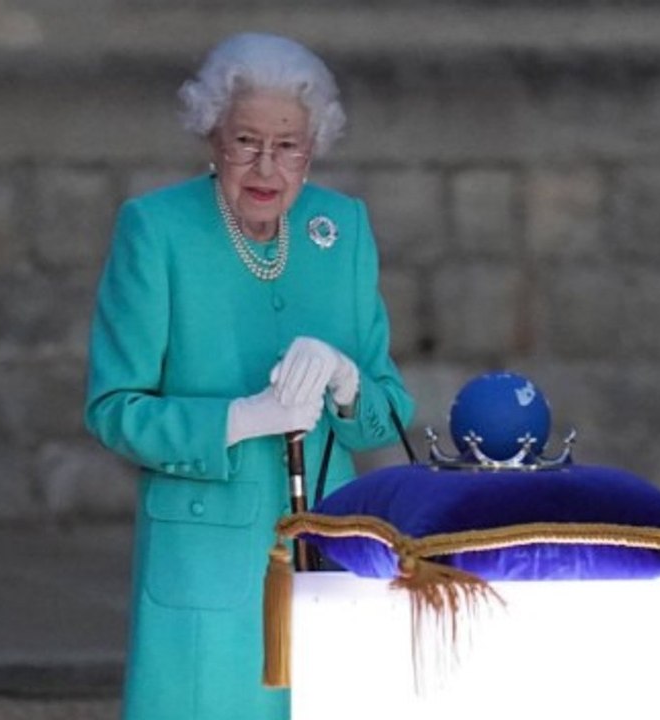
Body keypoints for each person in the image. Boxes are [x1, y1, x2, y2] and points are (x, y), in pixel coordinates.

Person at [84, 32, 415, 720]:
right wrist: (239, 420)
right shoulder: (156, 229)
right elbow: (113, 408)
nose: (266, 165)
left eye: (288, 145)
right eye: (245, 141)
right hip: (204, 552)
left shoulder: (342, 228)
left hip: (330, 550)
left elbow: (389, 410)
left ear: (312, 148)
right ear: (212, 137)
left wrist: (348, 382)